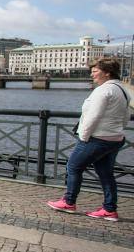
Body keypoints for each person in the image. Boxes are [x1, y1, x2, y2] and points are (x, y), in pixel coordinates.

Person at [47, 58, 131, 222]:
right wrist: (116, 130)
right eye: (92, 70)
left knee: (73, 166)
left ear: (107, 72)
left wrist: (83, 137)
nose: (92, 73)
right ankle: (109, 209)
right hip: (115, 138)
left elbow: (93, 116)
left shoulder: (103, 91)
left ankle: (69, 202)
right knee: (106, 173)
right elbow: (126, 116)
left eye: (95, 70)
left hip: (97, 138)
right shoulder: (122, 89)